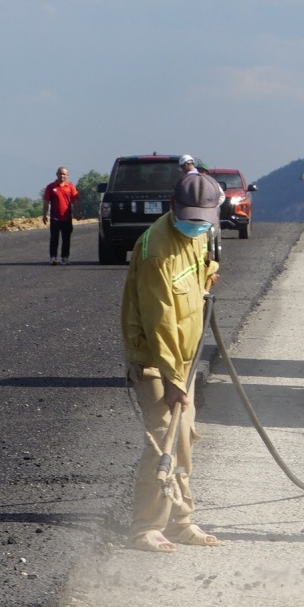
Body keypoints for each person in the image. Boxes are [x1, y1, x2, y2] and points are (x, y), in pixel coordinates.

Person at [119, 169, 223, 552]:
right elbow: (159, 321)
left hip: (186, 359)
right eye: (191, 218)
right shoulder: (156, 251)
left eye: (203, 221)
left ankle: (181, 521)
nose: (197, 226)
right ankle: (145, 526)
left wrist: (210, 272)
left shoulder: (198, 236)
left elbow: (200, 268)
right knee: (164, 439)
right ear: (172, 206)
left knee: (184, 440)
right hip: (157, 361)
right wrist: (173, 378)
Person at [43, 166, 79, 265]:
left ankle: (65, 257)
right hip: (55, 218)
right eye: (60, 173)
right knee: (54, 238)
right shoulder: (51, 187)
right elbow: (46, 201)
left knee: (66, 239)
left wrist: (77, 212)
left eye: (64, 174)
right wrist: (44, 214)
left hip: (67, 218)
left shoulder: (71, 187)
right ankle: (53, 257)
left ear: (67, 175)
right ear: (57, 174)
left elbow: (75, 200)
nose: (62, 175)